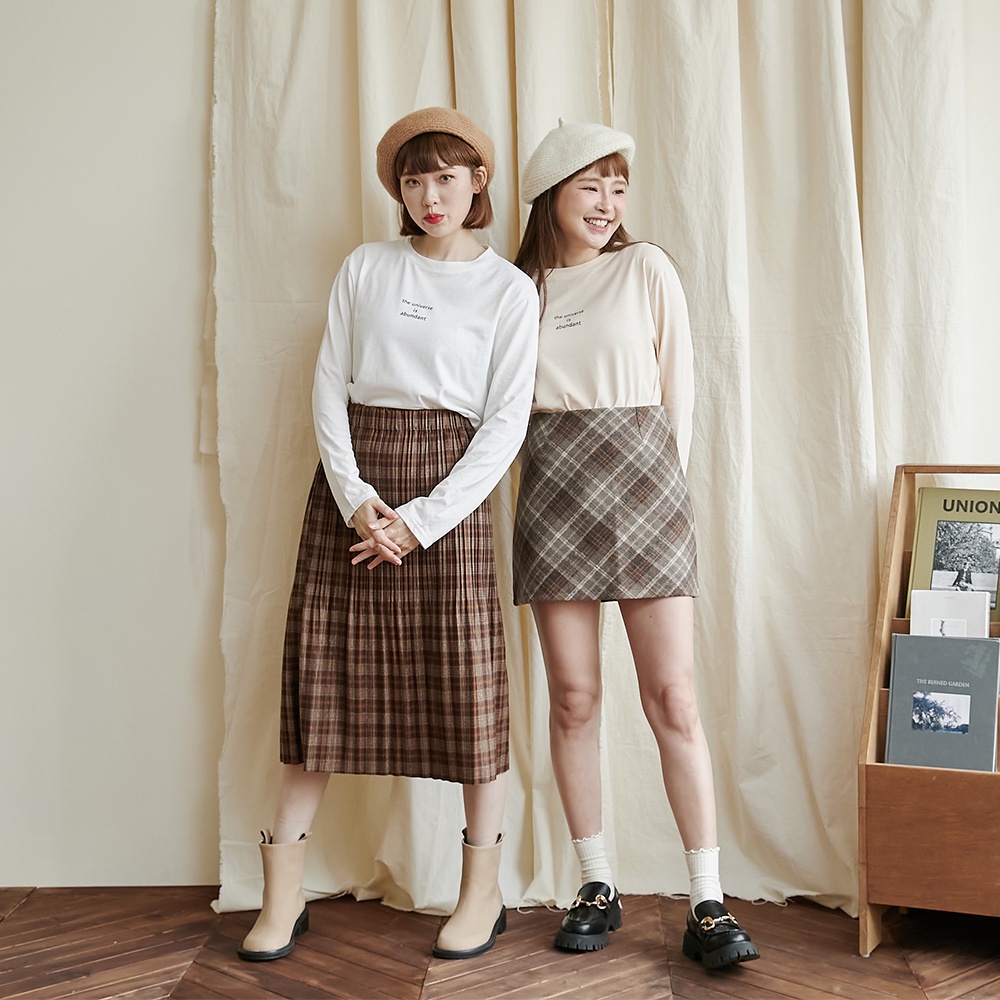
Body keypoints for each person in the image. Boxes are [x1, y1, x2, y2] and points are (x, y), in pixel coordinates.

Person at [237, 107, 539, 964]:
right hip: (355, 489)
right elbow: (328, 385)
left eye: (446, 176)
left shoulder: (508, 290)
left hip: (452, 494)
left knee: (469, 686)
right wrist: (358, 500)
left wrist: (422, 521)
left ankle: (481, 893)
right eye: (413, 180)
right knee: (321, 681)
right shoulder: (366, 266)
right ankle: (282, 894)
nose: (429, 195)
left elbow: (505, 423)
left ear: (478, 181)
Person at [511, 120, 759, 971]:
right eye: (591, 187)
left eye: (619, 188)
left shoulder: (646, 267)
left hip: (647, 483)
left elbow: (678, 393)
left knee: (673, 698)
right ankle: (596, 882)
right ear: (551, 195)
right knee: (574, 699)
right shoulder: (519, 289)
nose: (609, 205)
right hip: (552, 487)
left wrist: (665, 490)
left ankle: (707, 899)